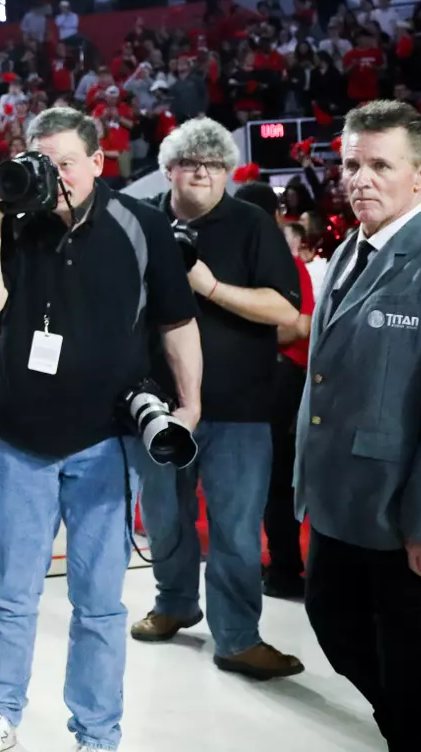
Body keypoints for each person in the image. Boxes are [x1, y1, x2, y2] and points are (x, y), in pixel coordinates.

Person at [0, 107, 201, 752]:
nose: (54, 175)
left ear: (98, 161)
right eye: (43, 161)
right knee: (10, 591)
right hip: (21, 435)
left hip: (103, 438)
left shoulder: (141, 226)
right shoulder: (16, 225)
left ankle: (96, 733)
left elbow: (177, 324)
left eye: (65, 162)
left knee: (99, 602)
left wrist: (191, 405)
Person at [298, 100, 421, 752]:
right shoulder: (346, 252)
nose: (360, 178)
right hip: (339, 503)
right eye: (352, 164)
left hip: (407, 516)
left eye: (379, 164)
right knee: (335, 626)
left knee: (419, 678)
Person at [130, 120, 305, 679]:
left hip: (240, 404)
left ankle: (236, 637)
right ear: (169, 168)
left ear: (226, 172)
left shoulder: (252, 223)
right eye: (190, 161)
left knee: (234, 525)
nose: (202, 171)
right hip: (157, 404)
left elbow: (287, 312)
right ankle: (174, 604)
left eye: (213, 163)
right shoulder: (142, 222)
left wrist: (208, 285)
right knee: (164, 518)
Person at [260, 219, 314, 600]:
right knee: (273, 480)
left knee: (276, 480)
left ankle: (283, 566)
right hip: (274, 377)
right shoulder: (284, 262)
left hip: (281, 377)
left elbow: (300, 326)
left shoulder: (284, 264)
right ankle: (281, 567)